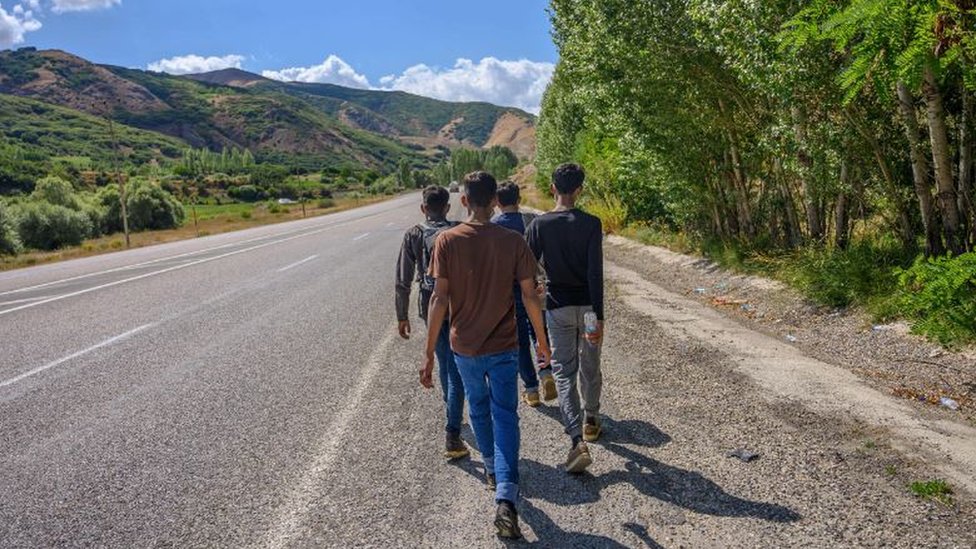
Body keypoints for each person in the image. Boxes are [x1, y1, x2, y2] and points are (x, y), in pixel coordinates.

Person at [422, 171, 551, 539]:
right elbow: (530, 297)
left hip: (463, 346)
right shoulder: (512, 241)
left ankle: (494, 468)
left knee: (478, 409)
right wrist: (542, 343)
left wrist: (429, 352)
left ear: (463, 200)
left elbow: (439, 299)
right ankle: (506, 495)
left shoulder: (446, 241)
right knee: (506, 414)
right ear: (495, 199)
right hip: (505, 346)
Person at [525, 163, 604, 474]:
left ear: (552, 188)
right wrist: (599, 315)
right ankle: (592, 420)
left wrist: (542, 284)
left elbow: (527, 271)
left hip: (557, 308)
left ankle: (575, 439)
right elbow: (595, 272)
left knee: (563, 371)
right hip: (587, 308)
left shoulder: (539, 225)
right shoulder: (592, 224)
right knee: (591, 364)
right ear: (580, 190)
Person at [395, 185, 468, 460]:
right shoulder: (458, 230)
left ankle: (453, 420)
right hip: (460, 307)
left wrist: (402, 314)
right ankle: (453, 426)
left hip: (430, 307)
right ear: (447, 208)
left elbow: (402, 279)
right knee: (456, 367)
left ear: (423, 208)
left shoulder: (414, 234)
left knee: (444, 362)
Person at [491, 181, 557, 407]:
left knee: (519, 340)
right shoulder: (531, 221)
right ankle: (546, 371)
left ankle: (531, 390)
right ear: (519, 200)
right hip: (534, 286)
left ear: (497, 202)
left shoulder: (493, 226)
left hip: (508, 292)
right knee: (539, 331)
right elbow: (544, 255)